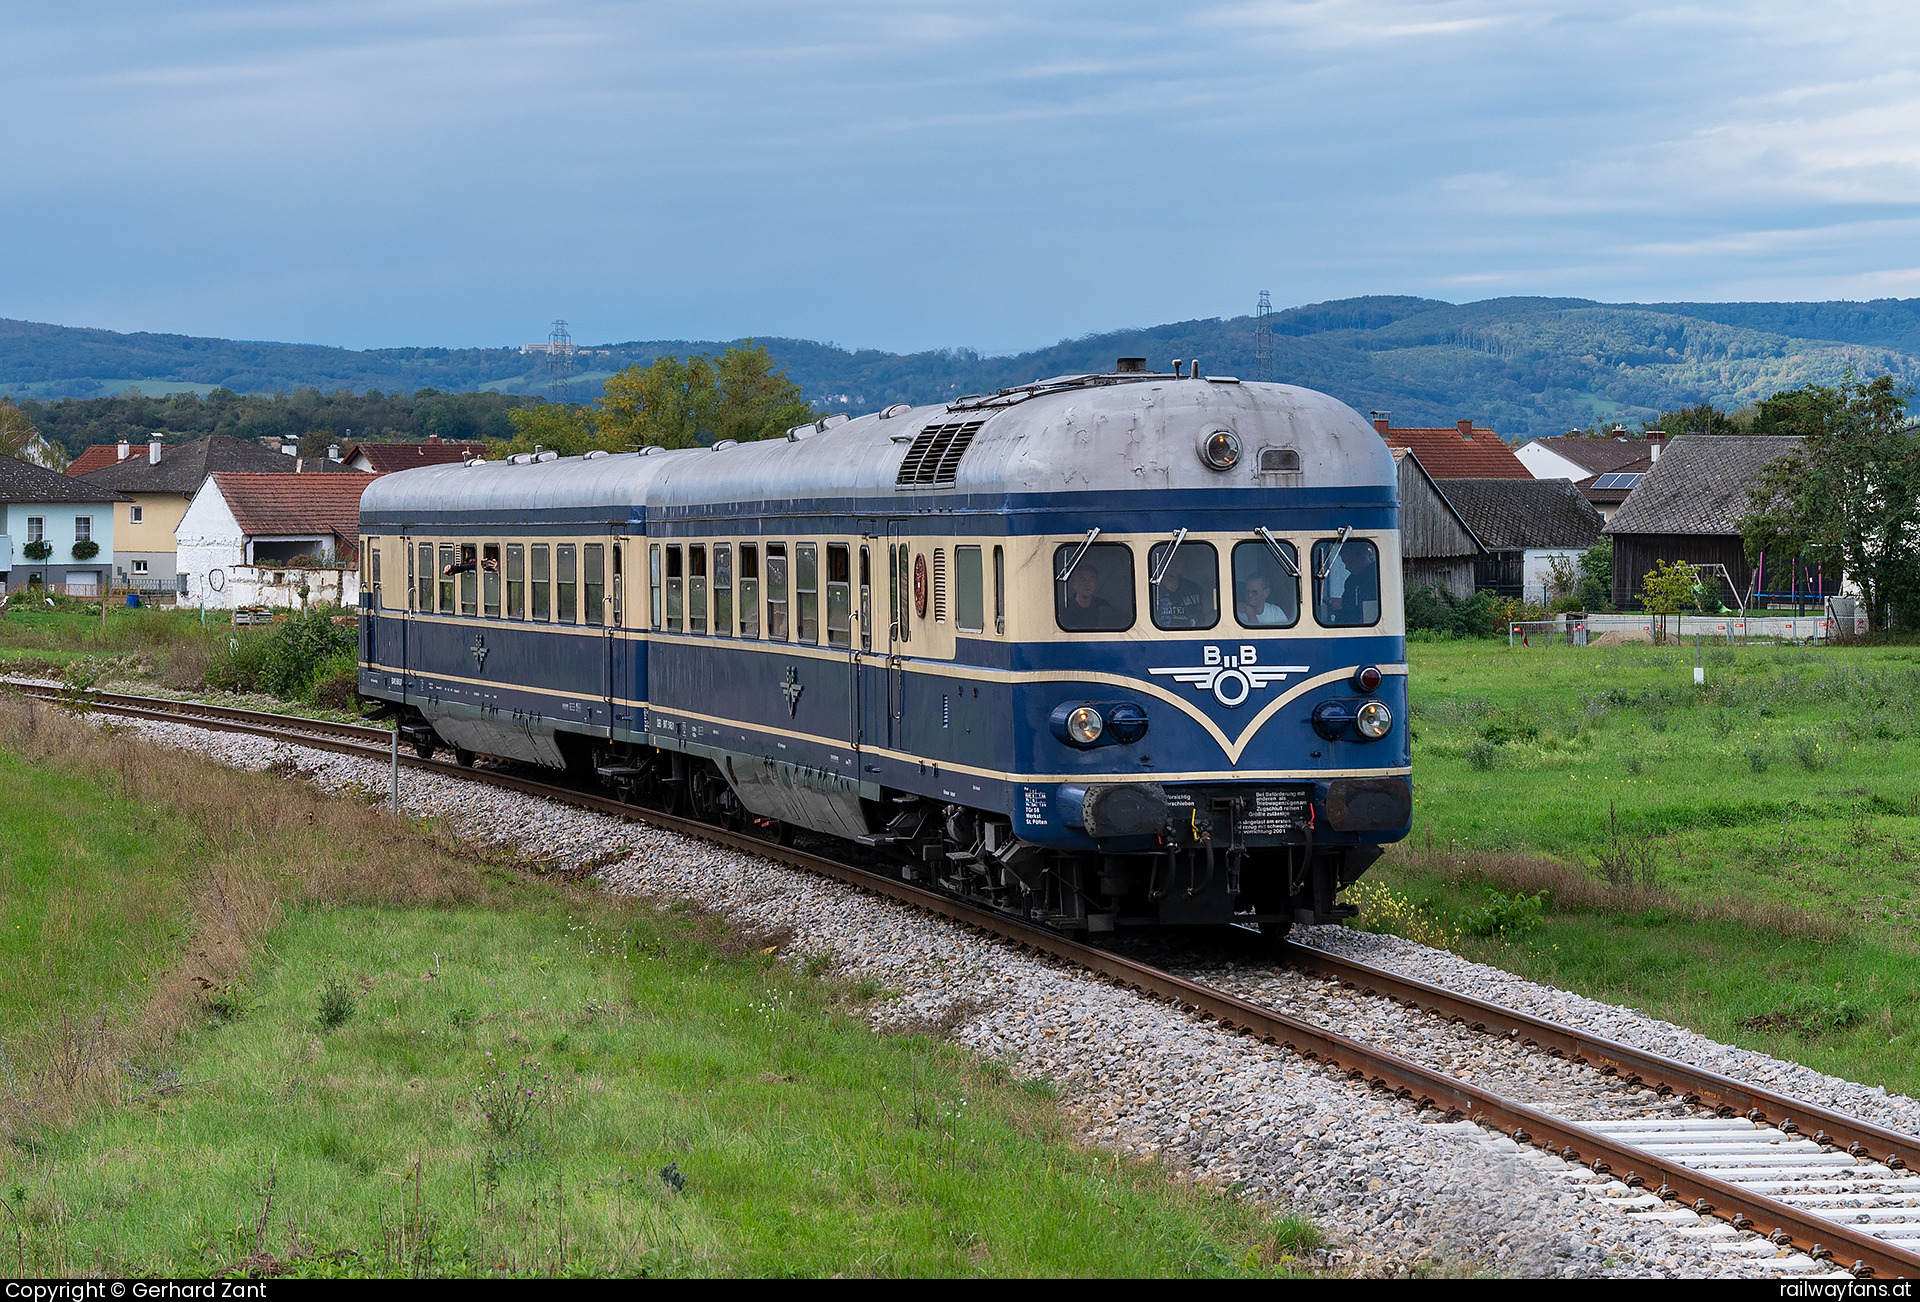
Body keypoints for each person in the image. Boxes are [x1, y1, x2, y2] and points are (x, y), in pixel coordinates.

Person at [1153, 547, 1214, 627]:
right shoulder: (1153, 589)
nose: (1174, 564)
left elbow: (1201, 618)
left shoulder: (1194, 589)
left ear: (1183, 563)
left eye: (1178, 560)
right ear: (1162, 563)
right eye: (1169, 560)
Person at [1060, 564, 1112, 629]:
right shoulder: (1064, 608)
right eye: (1082, 579)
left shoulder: (1104, 606)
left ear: (1096, 584)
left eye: (1091, 579)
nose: (1087, 584)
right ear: (1074, 584)